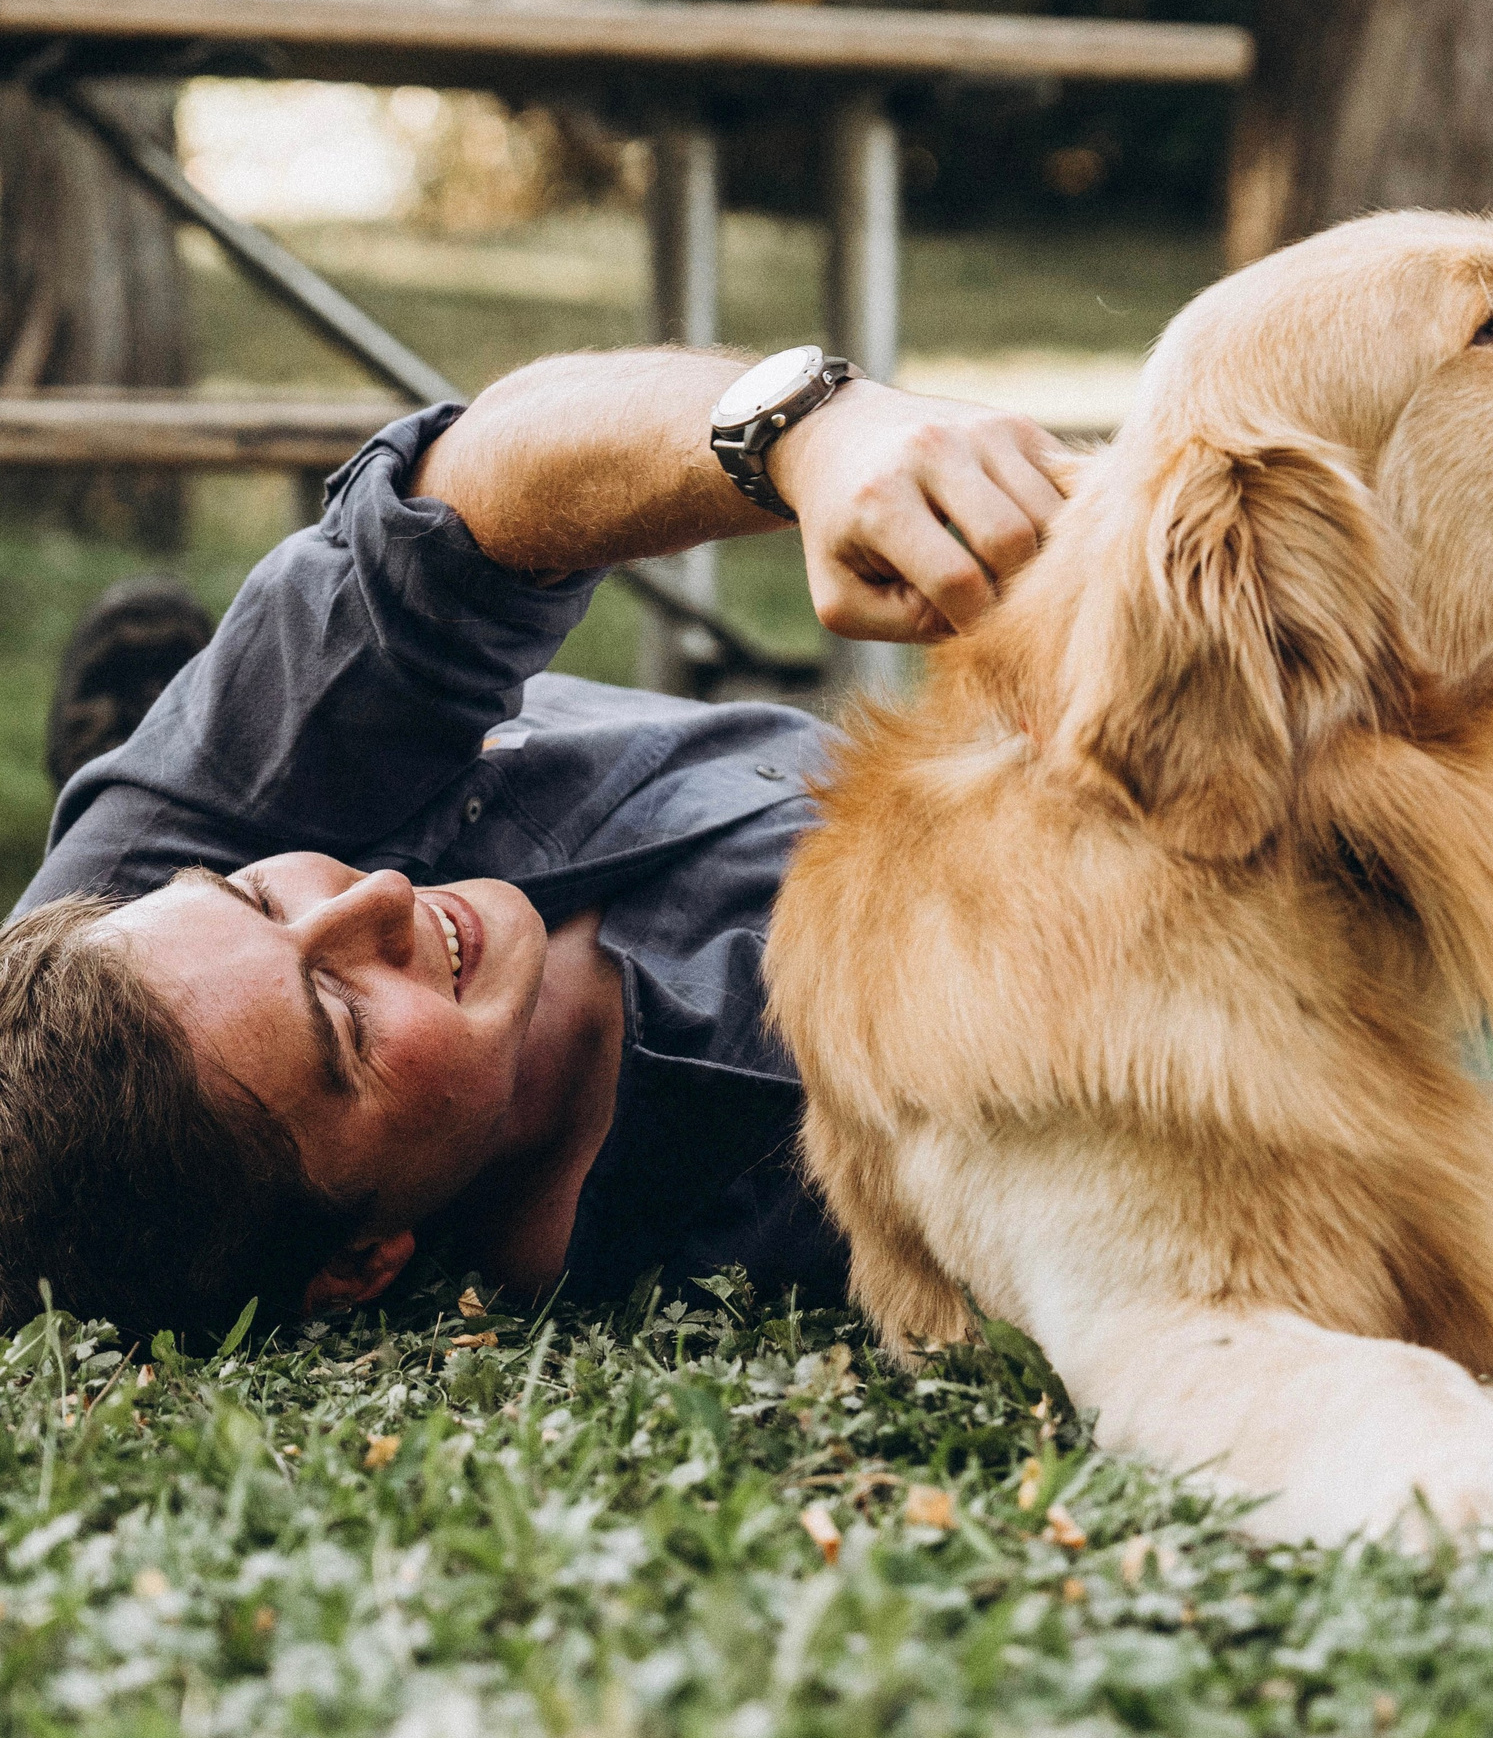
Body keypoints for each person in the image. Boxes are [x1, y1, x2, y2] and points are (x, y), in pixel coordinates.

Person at [0, 343, 1071, 1335]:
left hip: (178, 832)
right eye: (343, 1023)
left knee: (219, 745)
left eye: (261, 899)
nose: (378, 893)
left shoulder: (144, 914)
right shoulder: (770, 1203)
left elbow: (468, 497)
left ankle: (147, 726)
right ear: (364, 1263)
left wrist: (808, 430)